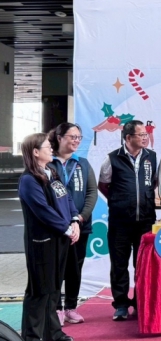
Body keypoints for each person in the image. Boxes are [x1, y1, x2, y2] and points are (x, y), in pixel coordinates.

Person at [19, 133, 79, 341]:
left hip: (60, 239)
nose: (51, 149)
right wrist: (66, 228)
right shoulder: (29, 180)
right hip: (42, 242)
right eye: (47, 146)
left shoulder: (51, 172)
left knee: (54, 289)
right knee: (39, 291)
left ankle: (53, 333)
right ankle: (32, 336)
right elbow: (42, 210)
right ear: (36, 152)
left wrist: (74, 220)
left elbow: (67, 197)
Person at [98, 120, 157, 321]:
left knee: (143, 265)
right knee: (119, 265)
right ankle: (121, 304)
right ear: (128, 137)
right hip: (120, 222)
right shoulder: (112, 158)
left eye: (145, 134)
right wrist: (119, 201)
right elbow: (103, 185)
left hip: (146, 221)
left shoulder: (151, 157)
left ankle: (141, 303)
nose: (145, 138)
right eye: (141, 135)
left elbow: (153, 183)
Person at [47, 123, 97, 326]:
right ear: (60, 138)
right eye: (72, 137)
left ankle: (71, 307)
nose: (76, 141)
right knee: (56, 269)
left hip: (80, 226)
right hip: (57, 227)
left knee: (76, 268)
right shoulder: (48, 164)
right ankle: (56, 308)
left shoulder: (82, 163)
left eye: (79, 137)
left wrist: (80, 218)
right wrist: (62, 223)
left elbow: (92, 192)